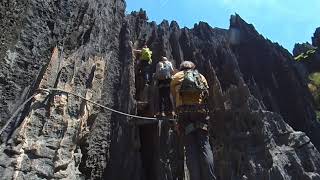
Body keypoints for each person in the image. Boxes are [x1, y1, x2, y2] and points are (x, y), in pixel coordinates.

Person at [170, 61, 216, 180]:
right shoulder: (200, 77)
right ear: (193, 67)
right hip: (200, 114)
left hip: (184, 116)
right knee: (204, 145)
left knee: (190, 148)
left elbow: (174, 98)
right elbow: (206, 95)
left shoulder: (176, 77)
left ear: (181, 68)